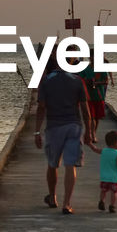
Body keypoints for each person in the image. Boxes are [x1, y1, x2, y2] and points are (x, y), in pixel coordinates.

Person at [34, 53, 92, 214]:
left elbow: (41, 107)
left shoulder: (46, 81)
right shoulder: (77, 81)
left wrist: (37, 131)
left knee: (53, 164)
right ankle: (67, 203)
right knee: (70, 165)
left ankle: (53, 197)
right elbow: (85, 110)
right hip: (73, 126)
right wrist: (89, 131)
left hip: (53, 127)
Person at [90, 129, 117, 213]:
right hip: (113, 178)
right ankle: (112, 206)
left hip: (104, 177)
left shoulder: (104, 151)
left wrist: (90, 144)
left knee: (103, 190)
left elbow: (95, 149)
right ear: (116, 143)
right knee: (114, 192)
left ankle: (102, 201)